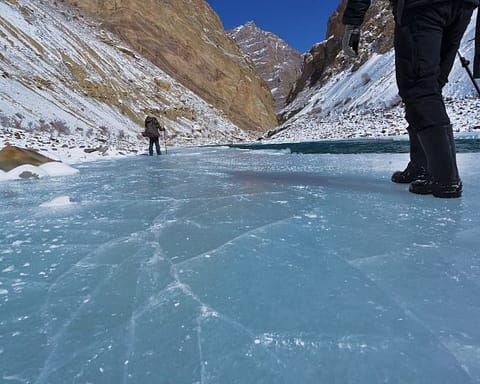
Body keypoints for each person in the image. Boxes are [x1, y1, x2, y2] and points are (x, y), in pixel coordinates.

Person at [342, 0, 478, 198]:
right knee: (430, 87)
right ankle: (422, 166)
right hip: (462, 7)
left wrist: (352, 23)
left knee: (419, 87)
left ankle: (445, 178)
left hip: (422, 8)